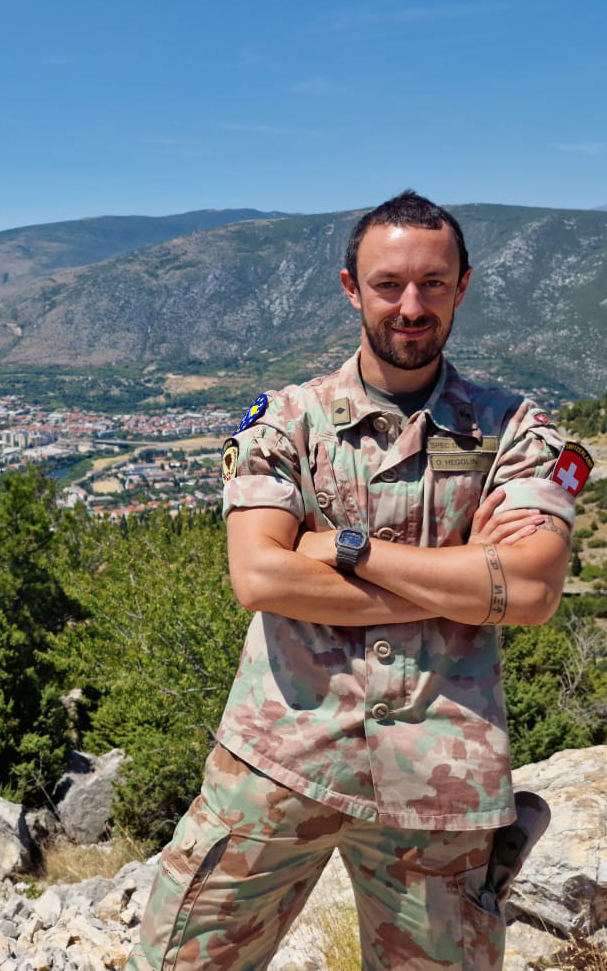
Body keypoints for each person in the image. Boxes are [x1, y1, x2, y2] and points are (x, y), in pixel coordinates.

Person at [128, 190, 586, 971]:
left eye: (432, 284)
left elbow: (534, 591)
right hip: (277, 762)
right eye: (387, 285)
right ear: (351, 288)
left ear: (463, 286)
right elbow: (260, 574)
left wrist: (345, 547)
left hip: (440, 783)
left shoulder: (517, 430)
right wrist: (466, 582)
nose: (410, 305)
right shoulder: (285, 422)